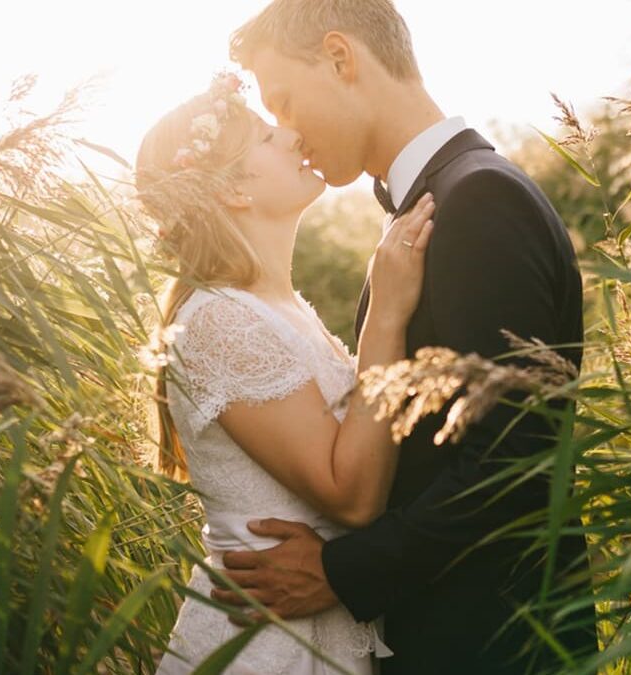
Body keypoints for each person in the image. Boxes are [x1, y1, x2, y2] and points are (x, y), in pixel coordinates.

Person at [214, 1, 596, 673]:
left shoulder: (480, 200)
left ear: (340, 58)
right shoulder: (439, 199)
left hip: (496, 646)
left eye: (284, 102)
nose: (288, 132)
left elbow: (513, 460)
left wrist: (341, 571)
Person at [135, 72, 434, 674]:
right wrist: (386, 315)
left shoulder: (277, 308)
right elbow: (352, 497)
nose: (293, 135)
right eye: (267, 137)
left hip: (314, 633)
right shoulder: (219, 320)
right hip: (265, 649)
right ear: (232, 191)